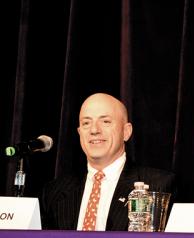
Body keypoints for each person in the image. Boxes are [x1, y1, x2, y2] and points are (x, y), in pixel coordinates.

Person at [40, 93, 175, 230]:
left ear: (126, 132)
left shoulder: (158, 186)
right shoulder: (54, 192)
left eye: (105, 122)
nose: (94, 130)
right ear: (79, 132)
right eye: (86, 123)